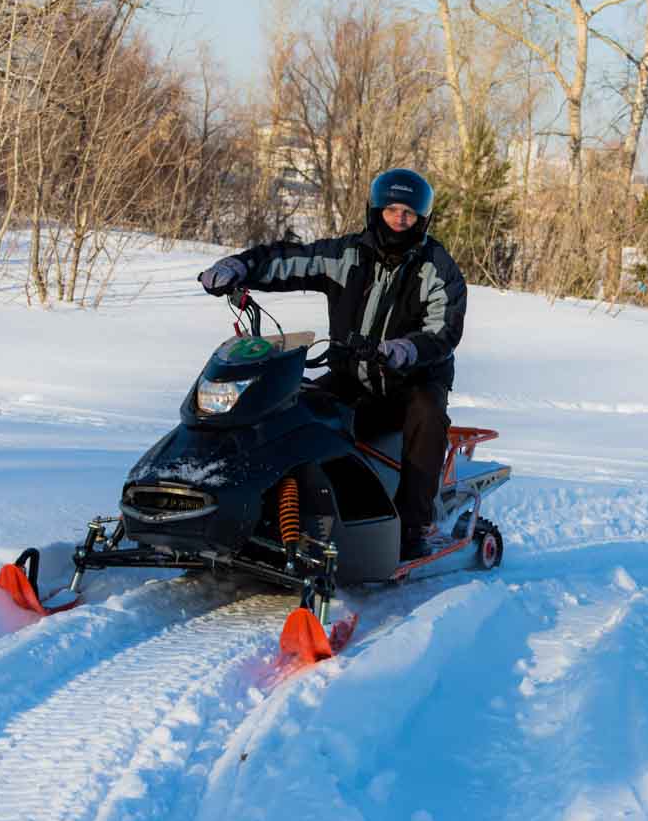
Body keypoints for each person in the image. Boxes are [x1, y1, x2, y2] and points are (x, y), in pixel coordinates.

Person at [197, 169, 466, 560]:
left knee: (428, 416)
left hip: (411, 381)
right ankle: (258, 504)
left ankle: (411, 525)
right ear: (375, 210)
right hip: (351, 375)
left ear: (422, 219)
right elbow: (291, 262)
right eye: (391, 209)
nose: (399, 220)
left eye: (408, 213)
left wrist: (405, 350)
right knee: (289, 409)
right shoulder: (346, 255)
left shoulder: (437, 268)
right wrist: (241, 266)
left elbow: (444, 329)